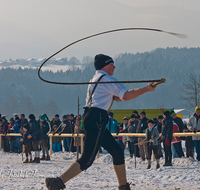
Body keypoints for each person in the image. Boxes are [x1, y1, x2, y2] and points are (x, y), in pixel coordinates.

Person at [45, 54, 156, 190]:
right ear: (104, 65)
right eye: (111, 64)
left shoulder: (96, 78)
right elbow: (125, 96)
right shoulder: (107, 79)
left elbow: (118, 97)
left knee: (117, 152)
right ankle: (57, 182)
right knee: (87, 159)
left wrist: (142, 89)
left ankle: (123, 186)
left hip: (93, 117)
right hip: (97, 118)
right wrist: (146, 89)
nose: (114, 67)